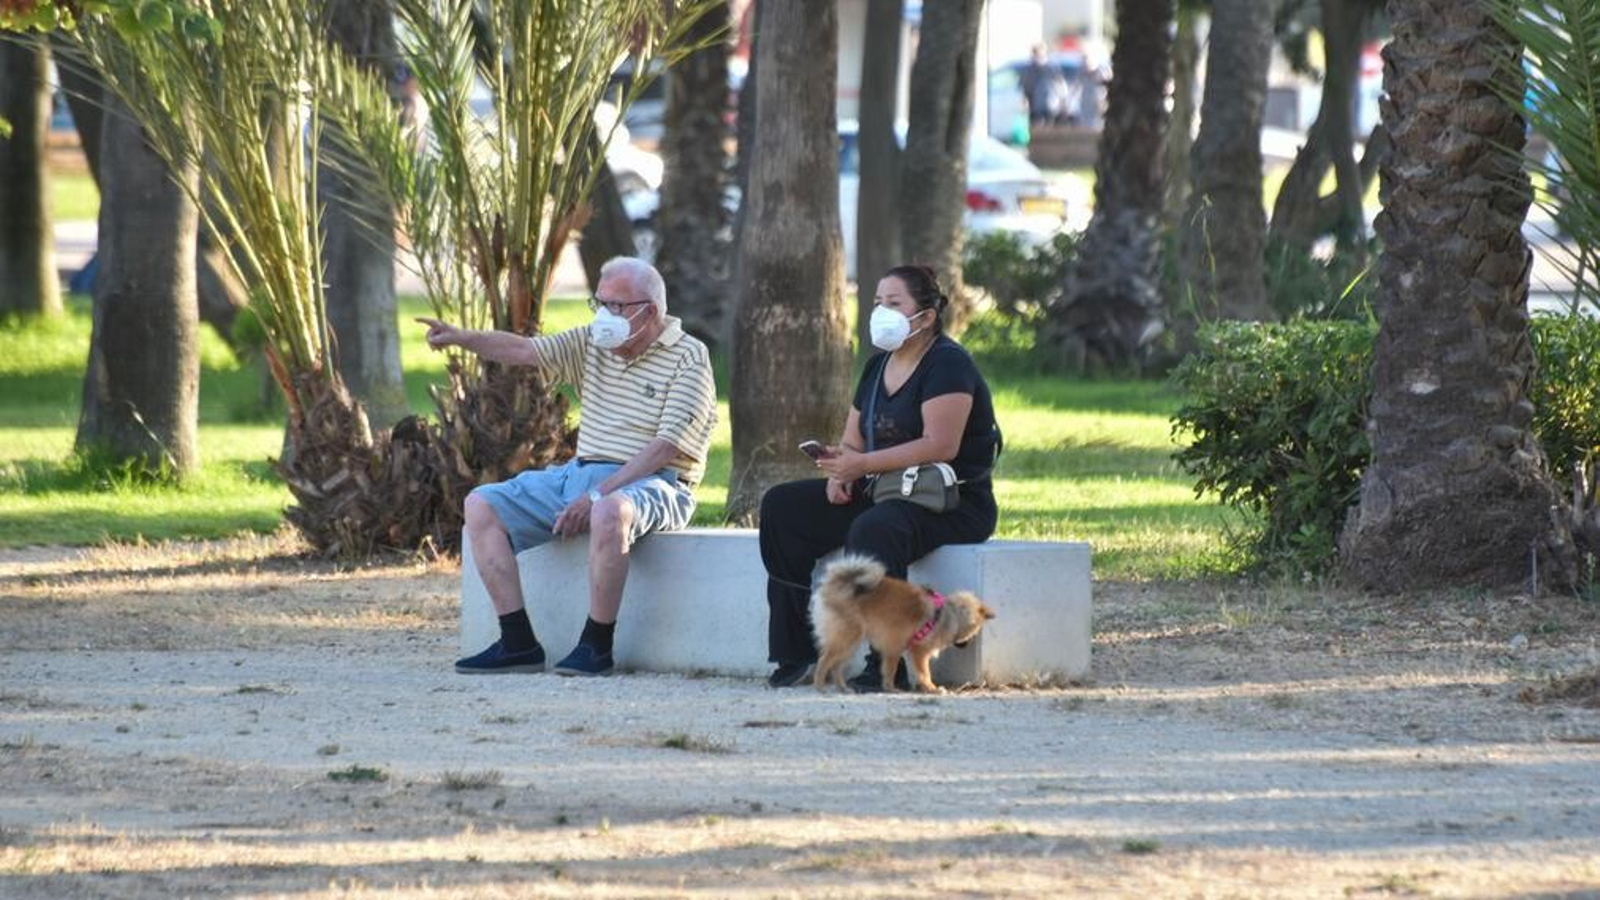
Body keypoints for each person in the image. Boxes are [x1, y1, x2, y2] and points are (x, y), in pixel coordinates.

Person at [420, 257, 717, 677]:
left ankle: (596, 646)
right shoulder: (594, 341)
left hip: (654, 481)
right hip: (580, 473)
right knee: (481, 505)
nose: (603, 315)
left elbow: (664, 448)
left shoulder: (690, 356)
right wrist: (460, 338)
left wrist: (597, 495)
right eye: (599, 302)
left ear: (648, 311)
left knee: (610, 511)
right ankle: (517, 643)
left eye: (615, 306)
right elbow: (525, 350)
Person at [758, 264, 1000, 692]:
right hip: (885, 489)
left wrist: (863, 466)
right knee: (783, 507)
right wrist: (841, 470)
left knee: (877, 525)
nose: (881, 312)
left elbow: (939, 444)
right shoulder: (876, 368)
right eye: (876, 303)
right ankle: (794, 652)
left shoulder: (948, 364)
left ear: (925, 316)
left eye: (894, 303)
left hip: (949, 503)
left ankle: (883, 665)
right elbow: (854, 440)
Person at [1018, 44, 1068, 126]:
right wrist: (1024, 103)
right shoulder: (1029, 71)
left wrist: (1063, 104)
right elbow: (1024, 89)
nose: (1039, 58)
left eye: (1041, 55)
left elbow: (1061, 87)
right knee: (1036, 132)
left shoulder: (1052, 69)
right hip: (1035, 109)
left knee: (1050, 132)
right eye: (1037, 55)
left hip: (1050, 108)